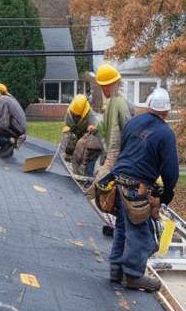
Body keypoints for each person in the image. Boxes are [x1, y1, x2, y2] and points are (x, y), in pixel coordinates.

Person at [101, 87, 177, 292]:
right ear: (167, 111)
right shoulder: (165, 133)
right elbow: (171, 171)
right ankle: (133, 275)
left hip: (117, 182)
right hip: (136, 187)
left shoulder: (134, 122)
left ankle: (116, 270)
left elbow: (125, 151)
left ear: (149, 105)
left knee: (122, 228)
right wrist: (166, 196)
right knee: (141, 235)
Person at [92, 64, 130, 180]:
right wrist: (97, 128)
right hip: (110, 155)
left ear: (111, 85)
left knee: (102, 181)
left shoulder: (119, 104)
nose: (103, 90)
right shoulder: (111, 103)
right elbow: (106, 129)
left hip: (118, 159)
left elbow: (120, 137)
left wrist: (108, 165)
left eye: (104, 86)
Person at [0, 82, 27, 158]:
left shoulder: (1, 100)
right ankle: (8, 145)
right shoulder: (7, 98)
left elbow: (3, 123)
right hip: (18, 128)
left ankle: (11, 142)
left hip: (17, 129)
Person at [60, 93, 95, 161]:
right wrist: (63, 147)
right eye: (75, 114)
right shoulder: (69, 111)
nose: (76, 116)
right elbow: (67, 129)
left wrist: (89, 130)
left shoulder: (89, 113)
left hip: (84, 133)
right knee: (70, 137)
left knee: (85, 144)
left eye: (78, 115)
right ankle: (68, 155)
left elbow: (92, 126)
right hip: (73, 132)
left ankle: (82, 158)